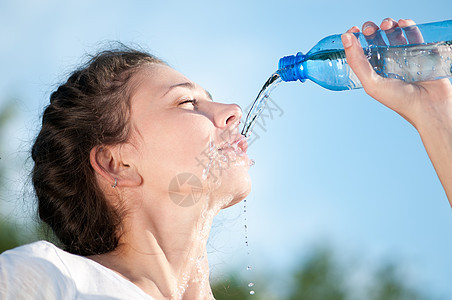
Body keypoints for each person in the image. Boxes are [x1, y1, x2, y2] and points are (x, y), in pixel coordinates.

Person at [0, 18, 451, 299]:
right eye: (186, 103)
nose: (232, 111)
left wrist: (435, 117)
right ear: (118, 165)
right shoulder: (47, 280)